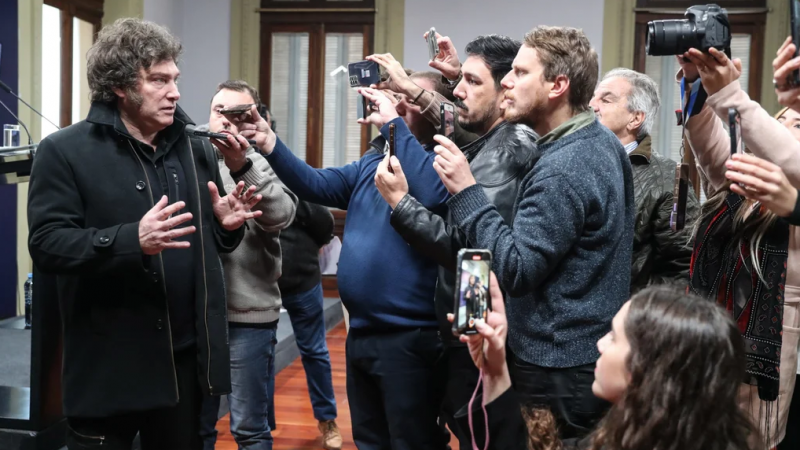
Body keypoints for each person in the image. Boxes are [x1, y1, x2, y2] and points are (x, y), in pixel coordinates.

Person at [27, 19, 261, 450]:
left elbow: (203, 245)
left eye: (174, 79)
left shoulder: (195, 148)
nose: (174, 92)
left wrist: (225, 228)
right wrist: (129, 238)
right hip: (107, 370)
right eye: (158, 80)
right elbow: (46, 244)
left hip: (183, 367)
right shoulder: (63, 151)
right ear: (120, 85)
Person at [426, 25, 635, 440]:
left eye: (520, 73)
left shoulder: (564, 167)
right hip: (579, 351)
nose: (507, 80)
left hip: (554, 367)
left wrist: (467, 191)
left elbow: (517, 268)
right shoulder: (598, 139)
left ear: (558, 85)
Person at [242, 73, 450, 449]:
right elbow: (316, 184)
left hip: (410, 339)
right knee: (369, 440)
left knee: (413, 441)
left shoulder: (441, 161)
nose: (397, 102)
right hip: (363, 334)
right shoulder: (373, 161)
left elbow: (435, 193)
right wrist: (269, 143)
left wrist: (392, 124)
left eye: (409, 98)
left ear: (436, 111)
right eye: (395, 96)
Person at [372, 34, 536, 448]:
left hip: (478, 330)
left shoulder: (508, 148)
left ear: (506, 92)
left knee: (475, 431)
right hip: (469, 328)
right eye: (459, 80)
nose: (458, 91)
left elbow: (470, 252)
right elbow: (456, 113)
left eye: (472, 82)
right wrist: (415, 88)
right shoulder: (489, 137)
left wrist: (400, 204)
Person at [451, 275, 755, 450]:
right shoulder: (628, 432)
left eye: (613, 336)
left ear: (650, 367)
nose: (600, 344)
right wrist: (495, 368)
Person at [677, 41, 800, 447]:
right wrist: (699, 90)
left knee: (751, 435)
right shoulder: (778, 135)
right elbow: (723, 165)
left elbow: (791, 161)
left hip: (773, 313)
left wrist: (731, 95)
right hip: (726, 299)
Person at [197, 80, 298, 450]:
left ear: (251, 119)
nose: (225, 121)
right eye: (218, 111)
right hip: (199, 315)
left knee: (249, 428)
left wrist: (242, 166)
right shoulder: (190, 158)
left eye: (237, 114)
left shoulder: (262, 162)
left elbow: (283, 215)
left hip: (248, 315)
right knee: (197, 426)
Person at [590, 68, 699, 292]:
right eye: (593, 97)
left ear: (635, 118)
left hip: (627, 317)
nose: (592, 105)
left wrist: (636, 315)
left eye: (606, 99)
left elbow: (681, 269)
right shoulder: (573, 161)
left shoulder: (667, 179)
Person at [277, 199, 342, 450]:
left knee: (315, 353)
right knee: (262, 357)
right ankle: (262, 427)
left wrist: (291, 200)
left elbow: (325, 223)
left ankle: (327, 421)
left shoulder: (293, 183)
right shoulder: (242, 181)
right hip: (261, 285)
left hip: (304, 281)